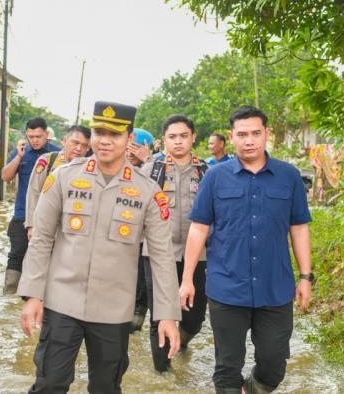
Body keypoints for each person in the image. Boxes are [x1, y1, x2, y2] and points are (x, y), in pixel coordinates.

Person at [18, 101, 181, 393]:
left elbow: (162, 257)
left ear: (129, 138)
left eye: (114, 134)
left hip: (113, 310)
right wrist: (33, 295)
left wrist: (167, 314)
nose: (105, 140)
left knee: (106, 387)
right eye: (99, 132)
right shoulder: (64, 177)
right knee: (50, 383)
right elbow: (41, 239)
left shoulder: (147, 191)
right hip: (61, 301)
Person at [180, 106, 313, 394]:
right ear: (232, 137)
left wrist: (305, 277)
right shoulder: (215, 177)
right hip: (227, 286)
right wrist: (187, 278)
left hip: (275, 287)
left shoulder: (288, 176)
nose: (249, 140)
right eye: (242, 134)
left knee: (274, 365)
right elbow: (199, 228)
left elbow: (299, 227)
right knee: (227, 367)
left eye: (255, 133)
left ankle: (251, 389)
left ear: (267, 134)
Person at [141, 114, 209, 372]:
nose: (178, 141)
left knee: (195, 317)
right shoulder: (150, 171)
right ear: (164, 140)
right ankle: (163, 374)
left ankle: (182, 340)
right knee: (159, 315)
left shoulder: (207, 172)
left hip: (199, 254)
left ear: (193, 137)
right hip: (157, 253)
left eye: (183, 136)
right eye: (172, 137)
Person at [1, 117, 61, 295]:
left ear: (46, 135)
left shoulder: (57, 155)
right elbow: (5, 176)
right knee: (17, 254)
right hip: (22, 214)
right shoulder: (21, 153)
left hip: (49, 216)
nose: (34, 140)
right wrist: (18, 158)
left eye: (38, 136)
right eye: (31, 136)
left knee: (47, 256)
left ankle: (41, 295)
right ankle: (10, 294)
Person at [24, 125, 91, 237]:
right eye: (75, 143)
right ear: (64, 141)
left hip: (72, 229)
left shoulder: (89, 169)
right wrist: (31, 225)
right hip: (46, 224)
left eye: (84, 146)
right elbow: (34, 192)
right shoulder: (48, 160)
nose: (79, 149)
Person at [126, 127, 154, 332]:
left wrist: (148, 161)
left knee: (141, 285)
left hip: (143, 239)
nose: (131, 152)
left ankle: (135, 324)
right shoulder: (114, 166)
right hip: (120, 236)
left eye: (136, 148)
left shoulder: (156, 167)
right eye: (129, 147)